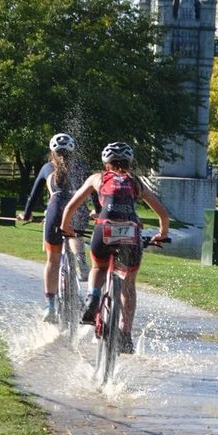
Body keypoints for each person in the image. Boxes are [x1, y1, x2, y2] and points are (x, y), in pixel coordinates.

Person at [60, 141, 170, 353]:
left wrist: (66, 228)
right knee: (128, 283)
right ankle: (126, 335)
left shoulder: (97, 178)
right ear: (128, 162)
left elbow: (72, 205)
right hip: (131, 233)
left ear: (106, 162)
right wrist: (162, 234)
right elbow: (162, 214)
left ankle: (93, 297)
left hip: (104, 230)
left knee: (98, 268)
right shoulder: (136, 182)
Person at [20, 133, 89, 323]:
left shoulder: (46, 168)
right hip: (78, 210)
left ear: (52, 151)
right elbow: (95, 190)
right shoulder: (82, 167)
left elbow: (33, 197)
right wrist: (97, 210)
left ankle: (50, 306)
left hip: (55, 210)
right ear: (73, 151)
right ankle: (81, 262)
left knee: (53, 260)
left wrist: (26, 215)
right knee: (75, 233)